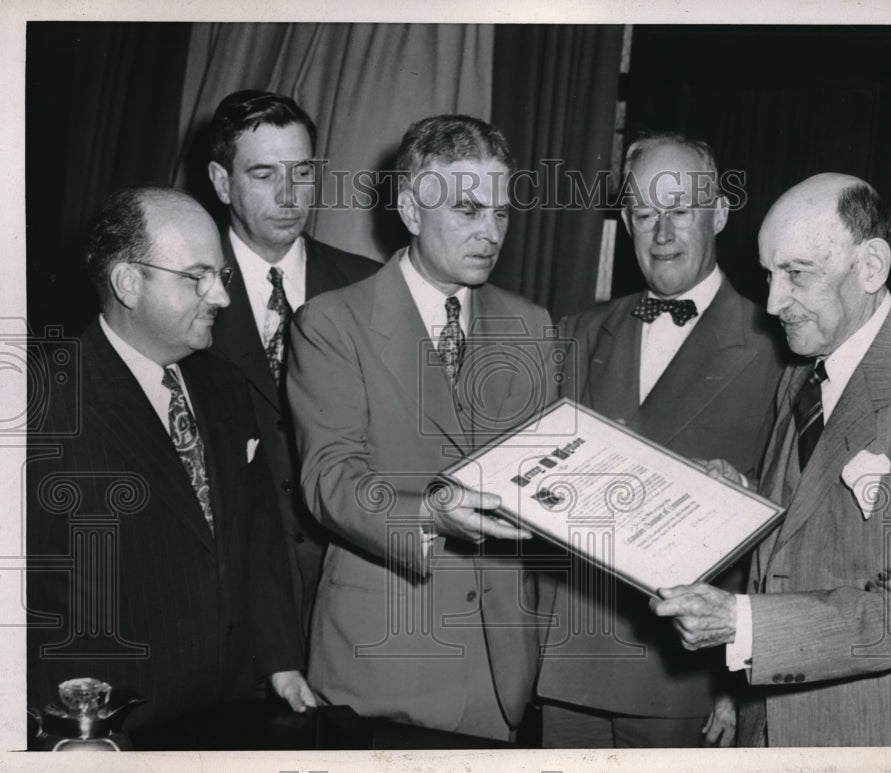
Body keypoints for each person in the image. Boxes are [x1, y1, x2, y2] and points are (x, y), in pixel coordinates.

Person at [650, 173, 891, 746]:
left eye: (796, 274)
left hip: (870, 733)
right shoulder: (803, 374)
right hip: (771, 720)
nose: (772, 302)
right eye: (770, 275)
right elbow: (804, 523)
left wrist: (742, 624)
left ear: (870, 266)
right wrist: (738, 495)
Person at [287, 114, 557, 742]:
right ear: (410, 209)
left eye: (501, 213)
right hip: (381, 665)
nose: (491, 233)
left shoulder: (531, 324)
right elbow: (329, 479)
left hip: (501, 675)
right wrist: (432, 513)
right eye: (468, 211)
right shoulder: (332, 323)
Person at [26, 187, 315, 735]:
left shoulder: (226, 387)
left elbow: (257, 536)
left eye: (222, 276)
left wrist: (280, 659)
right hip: (106, 723)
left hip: (229, 705)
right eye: (196, 276)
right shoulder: (43, 403)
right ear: (128, 282)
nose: (222, 298)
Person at [535, 133, 784, 748]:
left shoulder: (778, 347)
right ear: (625, 222)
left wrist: (741, 681)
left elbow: (788, 533)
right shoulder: (580, 331)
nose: (662, 233)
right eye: (644, 214)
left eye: (681, 210)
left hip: (690, 675)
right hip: (571, 659)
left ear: (720, 213)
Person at [206, 89, 380, 637]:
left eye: (302, 172)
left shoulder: (371, 286)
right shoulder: (183, 292)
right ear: (220, 182)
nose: (289, 194)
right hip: (229, 596)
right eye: (263, 173)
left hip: (348, 596)